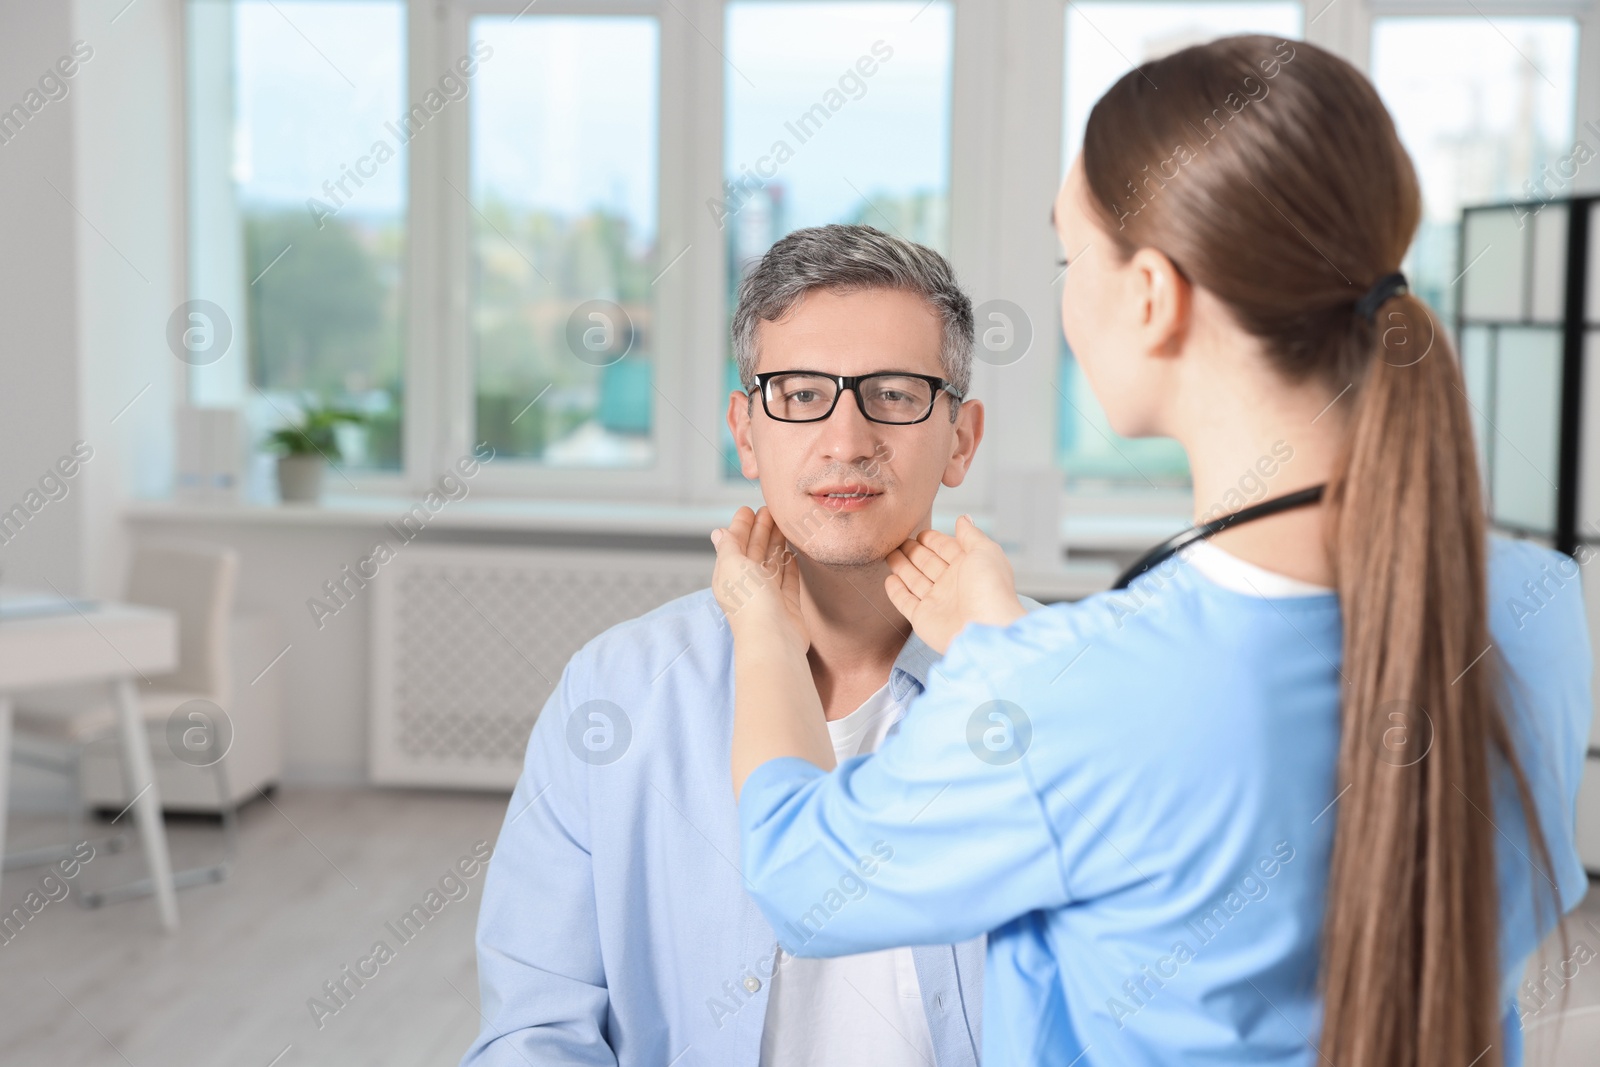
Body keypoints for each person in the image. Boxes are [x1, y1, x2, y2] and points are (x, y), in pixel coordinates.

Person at [714, 35, 1593, 1067]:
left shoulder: (1070, 694)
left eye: (1068, 256)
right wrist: (1018, 661)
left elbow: (803, 880)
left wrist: (764, 630)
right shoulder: (1540, 603)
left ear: (1150, 295)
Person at [464, 224, 1033, 1066]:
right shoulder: (615, 694)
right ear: (744, 429)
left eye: (895, 393)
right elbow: (535, 1031)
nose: (846, 441)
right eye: (801, 394)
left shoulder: (1054, 682)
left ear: (961, 437)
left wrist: (1019, 679)